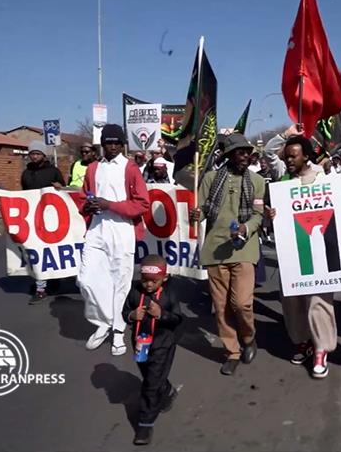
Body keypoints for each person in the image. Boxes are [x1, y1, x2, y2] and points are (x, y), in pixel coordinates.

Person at [189, 133, 265, 376]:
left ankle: (249, 338)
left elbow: (258, 215)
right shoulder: (210, 178)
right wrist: (195, 215)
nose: (245, 156)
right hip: (215, 251)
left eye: (247, 152)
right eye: (240, 152)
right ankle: (232, 351)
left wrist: (247, 228)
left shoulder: (257, 181)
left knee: (241, 303)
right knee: (221, 308)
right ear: (229, 155)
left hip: (244, 248)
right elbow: (201, 212)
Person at [265, 134, 338, 378]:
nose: (288, 160)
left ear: (306, 156)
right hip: (291, 250)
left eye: (293, 156)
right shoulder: (283, 180)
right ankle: (302, 341)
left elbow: (339, 205)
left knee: (318, 301)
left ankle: (321, 348)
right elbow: (268, 151)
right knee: (292, 301)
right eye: (286, 157)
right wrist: (272, 215)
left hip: (319, 249)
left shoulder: (324, 178)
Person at [78, 124, 150, 356]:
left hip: (122, 230)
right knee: (87, 279)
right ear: (102, 143)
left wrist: (110, 205)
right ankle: (103, 322)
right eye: (108, 142)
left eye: (116, 143)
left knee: (120, 282)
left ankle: (118, 330)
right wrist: (88, 205)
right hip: (97, 229)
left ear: (121, 144)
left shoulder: (130, 168)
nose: (111, 146)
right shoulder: (93, 168)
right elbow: (83, 196)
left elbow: (142, 203)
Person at [122, 255, 182, 446]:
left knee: (149, 385)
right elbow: (124, 312)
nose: (148, 285)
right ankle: (167, 390)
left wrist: (161, 314)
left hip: (162, 345)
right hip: (140, 344)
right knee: (148, 374)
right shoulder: (134, 291)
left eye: (153, 281)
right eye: (144, 280)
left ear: (164, 278)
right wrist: (132, 315)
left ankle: (144, 424)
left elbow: (178, 319)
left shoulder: (169, 294)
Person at [21, 140, 65, 304]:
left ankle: (54, 279)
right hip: (34, 218)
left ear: (43, 155)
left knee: (53, 250)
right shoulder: (26, 173)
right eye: (32, 154)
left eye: (37, 153)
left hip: (52, 217)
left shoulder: (53, 171)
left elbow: (63, 190)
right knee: (37, 250)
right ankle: (41, 287)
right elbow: (24, 194)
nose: (34, 156)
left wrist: (59, 187)